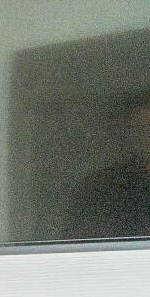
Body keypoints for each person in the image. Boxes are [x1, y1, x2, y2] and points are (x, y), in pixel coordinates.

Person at [61, 89, 150, 241]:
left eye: (147, 127)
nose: (144, 136)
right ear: (124, 135)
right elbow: (77, 246)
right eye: (137, 129)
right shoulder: (98, 187)